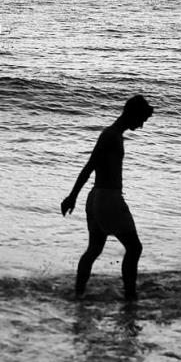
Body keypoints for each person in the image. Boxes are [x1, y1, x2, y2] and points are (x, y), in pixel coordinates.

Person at [60, 94, 154, 301]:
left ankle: (78, 295)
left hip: (96, 198)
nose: (141, 126)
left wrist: (76, 196)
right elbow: (90, 166)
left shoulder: (114, 135)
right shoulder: (110, 135)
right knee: (134, 247)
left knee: (94, 249)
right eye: (141, 120)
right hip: (108, 199)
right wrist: (72, 195)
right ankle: (130, 297)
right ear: (132, 114)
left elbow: (91, 167)